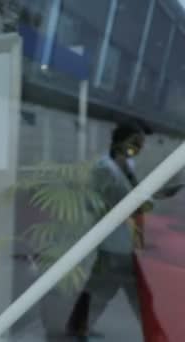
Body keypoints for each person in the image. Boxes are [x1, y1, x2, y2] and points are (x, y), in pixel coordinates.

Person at [65, 120, 171, 338]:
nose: (139, 149)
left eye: (141, 145)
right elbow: (131, 203)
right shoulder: (105, 169)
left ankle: (77, 327)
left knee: (101, 290)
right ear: (119, 142)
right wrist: (133, 182)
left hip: (124, 242)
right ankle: (156, 335)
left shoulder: (124, 166)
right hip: (114, 244)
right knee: (135, 294)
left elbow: (139, 199)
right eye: (135, 143)